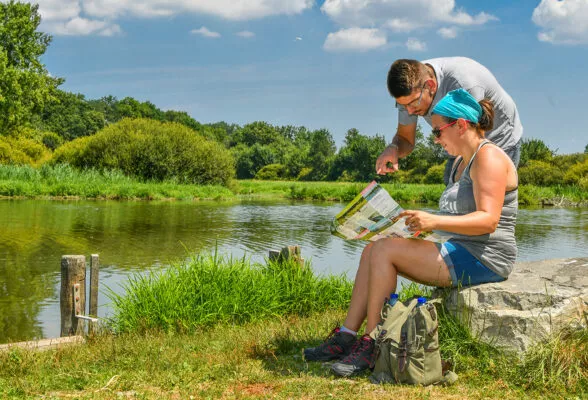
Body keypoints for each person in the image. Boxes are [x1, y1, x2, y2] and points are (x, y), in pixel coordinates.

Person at [304, 89, 518, 377]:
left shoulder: (488, 157)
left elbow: (488, 221)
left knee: (384, 250)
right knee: (373, 248)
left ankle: (373, 344)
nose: (436, 140)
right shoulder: (459, 163)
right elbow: (460, 218)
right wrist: (416, 225)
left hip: (485, 256)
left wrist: (433, 220)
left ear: (461, 125)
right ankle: (346, 336)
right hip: (459, 247)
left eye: (438, 132)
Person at [376, 57, 523, 184]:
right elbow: (405, 139)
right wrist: (393, 148)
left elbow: (474, 140)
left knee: (475, 198)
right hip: (457, 141)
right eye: (403, 105)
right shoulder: (411, 89)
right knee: (452, 198)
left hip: (499, 138)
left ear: (430, 86)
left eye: (413, 103)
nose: (409, 111)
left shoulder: (463, 83)